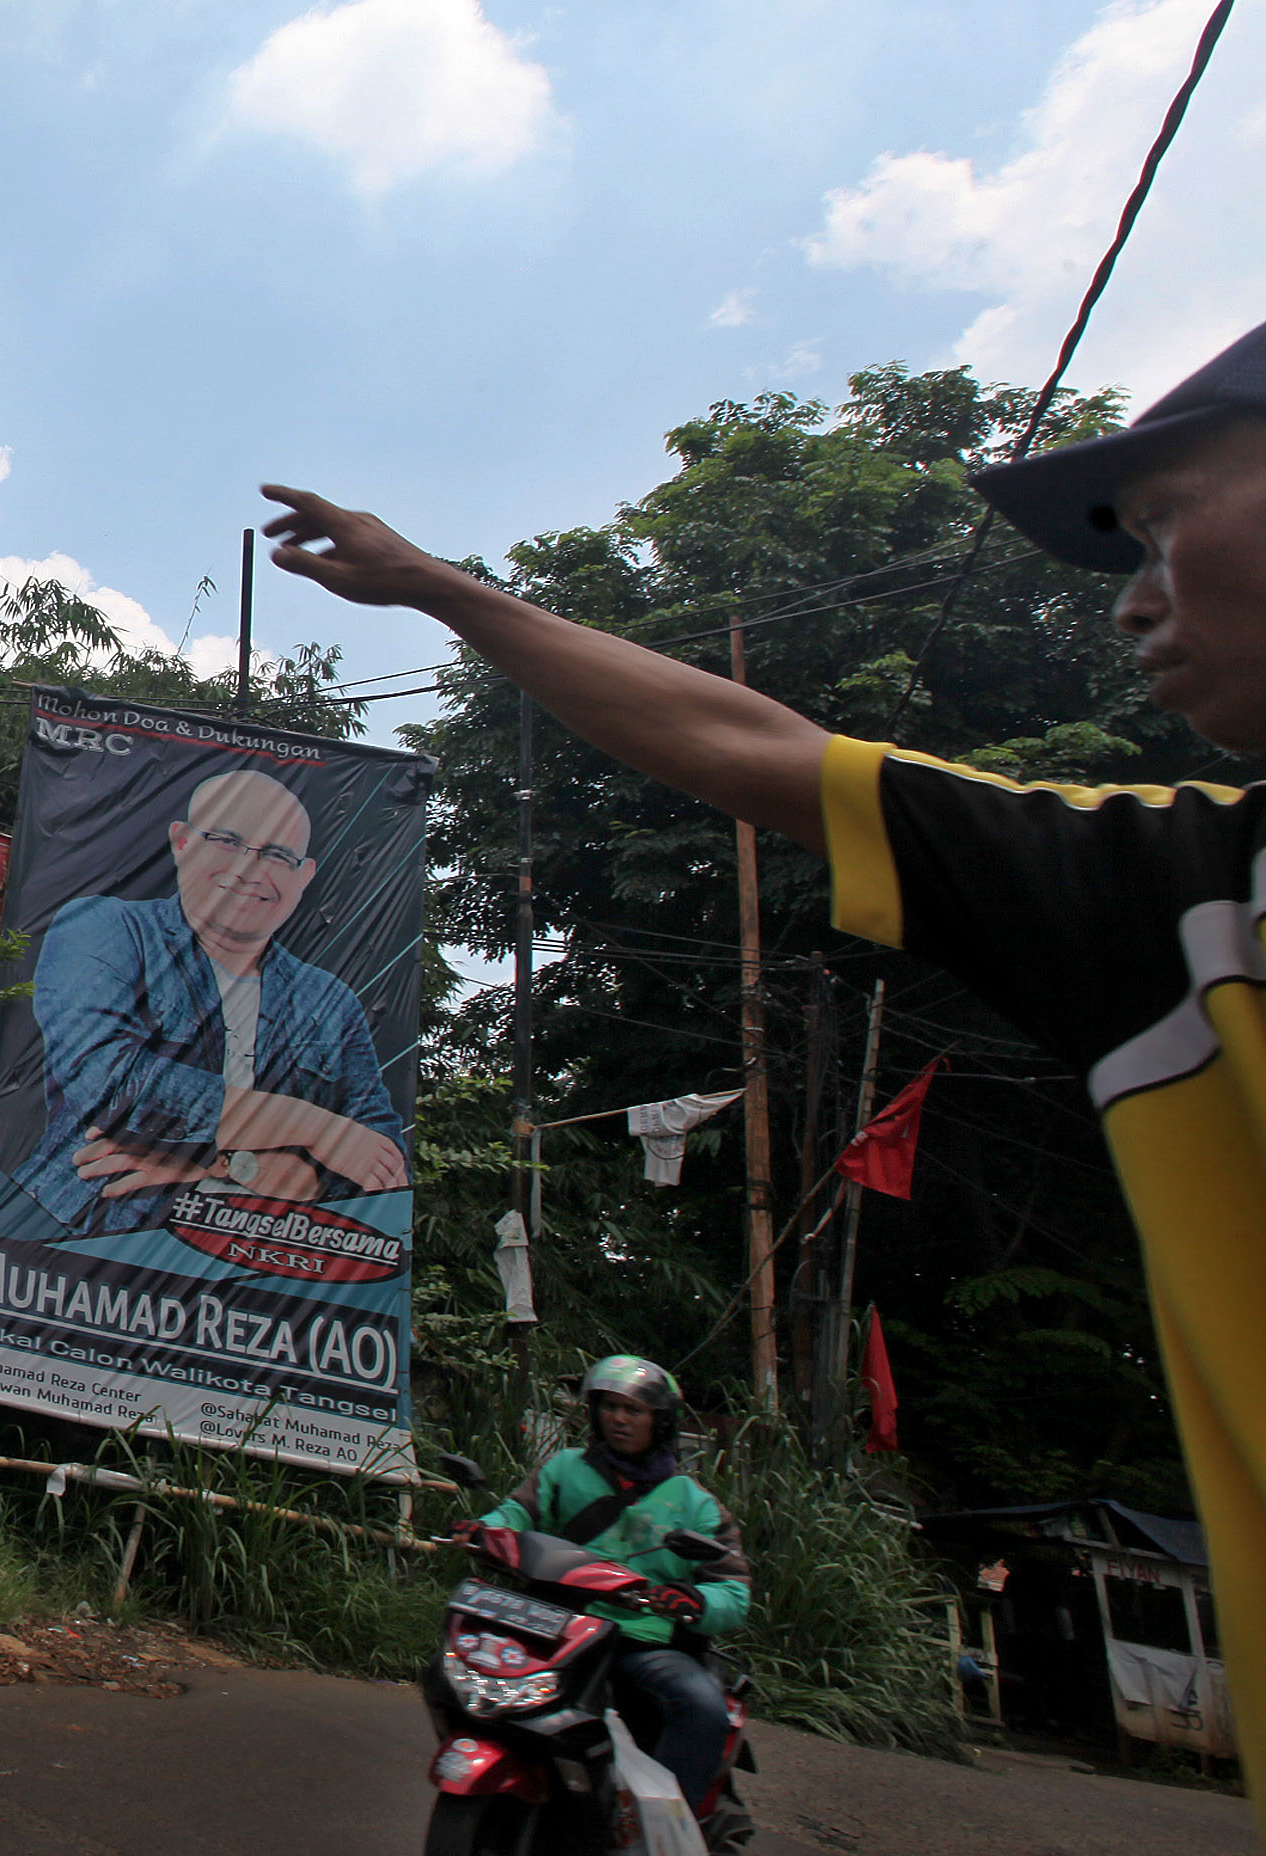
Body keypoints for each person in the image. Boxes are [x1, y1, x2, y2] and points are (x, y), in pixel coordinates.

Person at [263, 314, 1266, 1845]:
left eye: (1166, 525)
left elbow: (720, 1593)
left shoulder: (688, 1508)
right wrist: (435, 587)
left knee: (687, 1719)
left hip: (664, 1661)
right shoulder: (1180, 898)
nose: (1132, 599)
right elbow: (745, 748)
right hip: (566, 1648)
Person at [11, 768, 408, 1239]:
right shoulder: (106, 929)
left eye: (277, 855)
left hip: (265, 1266)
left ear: (304, 876)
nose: (248, 869)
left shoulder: (330, 1002)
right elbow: (105, 1086)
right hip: (87, 1242)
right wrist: (315, 1129)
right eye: (226, 841)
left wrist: (217, 1166)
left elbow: (383, 1165)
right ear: (182, 843)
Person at [463, 1356, 751, 1820]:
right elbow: (516, 1514)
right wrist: (483, 1530)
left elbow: (733, 1591)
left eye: (633, 1410)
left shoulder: (696, 1505)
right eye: (610, 1407)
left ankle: (662, 1827)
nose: (619, 1418)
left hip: (642, 1641)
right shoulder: (563, 1469)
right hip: (556, 1626)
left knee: (703, 1707)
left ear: (661, 1422)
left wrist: (695, 1600)